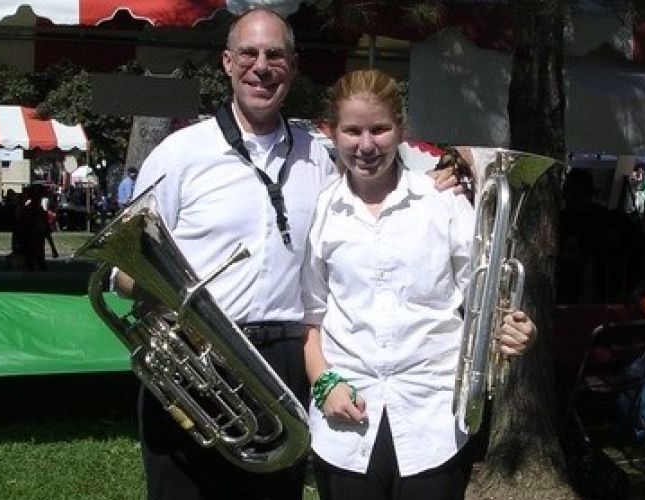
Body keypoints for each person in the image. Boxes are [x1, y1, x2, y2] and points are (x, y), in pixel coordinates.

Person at [113, 9, 469, 500]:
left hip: (283, 358)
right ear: (227, 62)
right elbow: (121, 267)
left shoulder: (321, 154)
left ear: (293, 66)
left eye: (275, 55)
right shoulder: (179, 154)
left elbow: (390, 158)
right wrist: (160, 300)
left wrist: (461, 163)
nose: (262, 66)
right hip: (194, 352)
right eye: (249, 54)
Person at [301, 69, 536, 500]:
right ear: (332, 133)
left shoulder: (442, 202)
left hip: (433, 419)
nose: (366, 145)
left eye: (379, 129)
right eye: (352, 131)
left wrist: (514, 326)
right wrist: (324, 383)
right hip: (345, 422)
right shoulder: (324, 209)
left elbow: (487, 297)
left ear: (401, 130)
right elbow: (312, 320)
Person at [15, 184, 59, 271]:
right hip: (34, 243)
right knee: (38, 266)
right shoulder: (35, 211)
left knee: (33, 267)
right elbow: (46, 230)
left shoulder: (28, 210)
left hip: (32, 243)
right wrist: (53, 248)